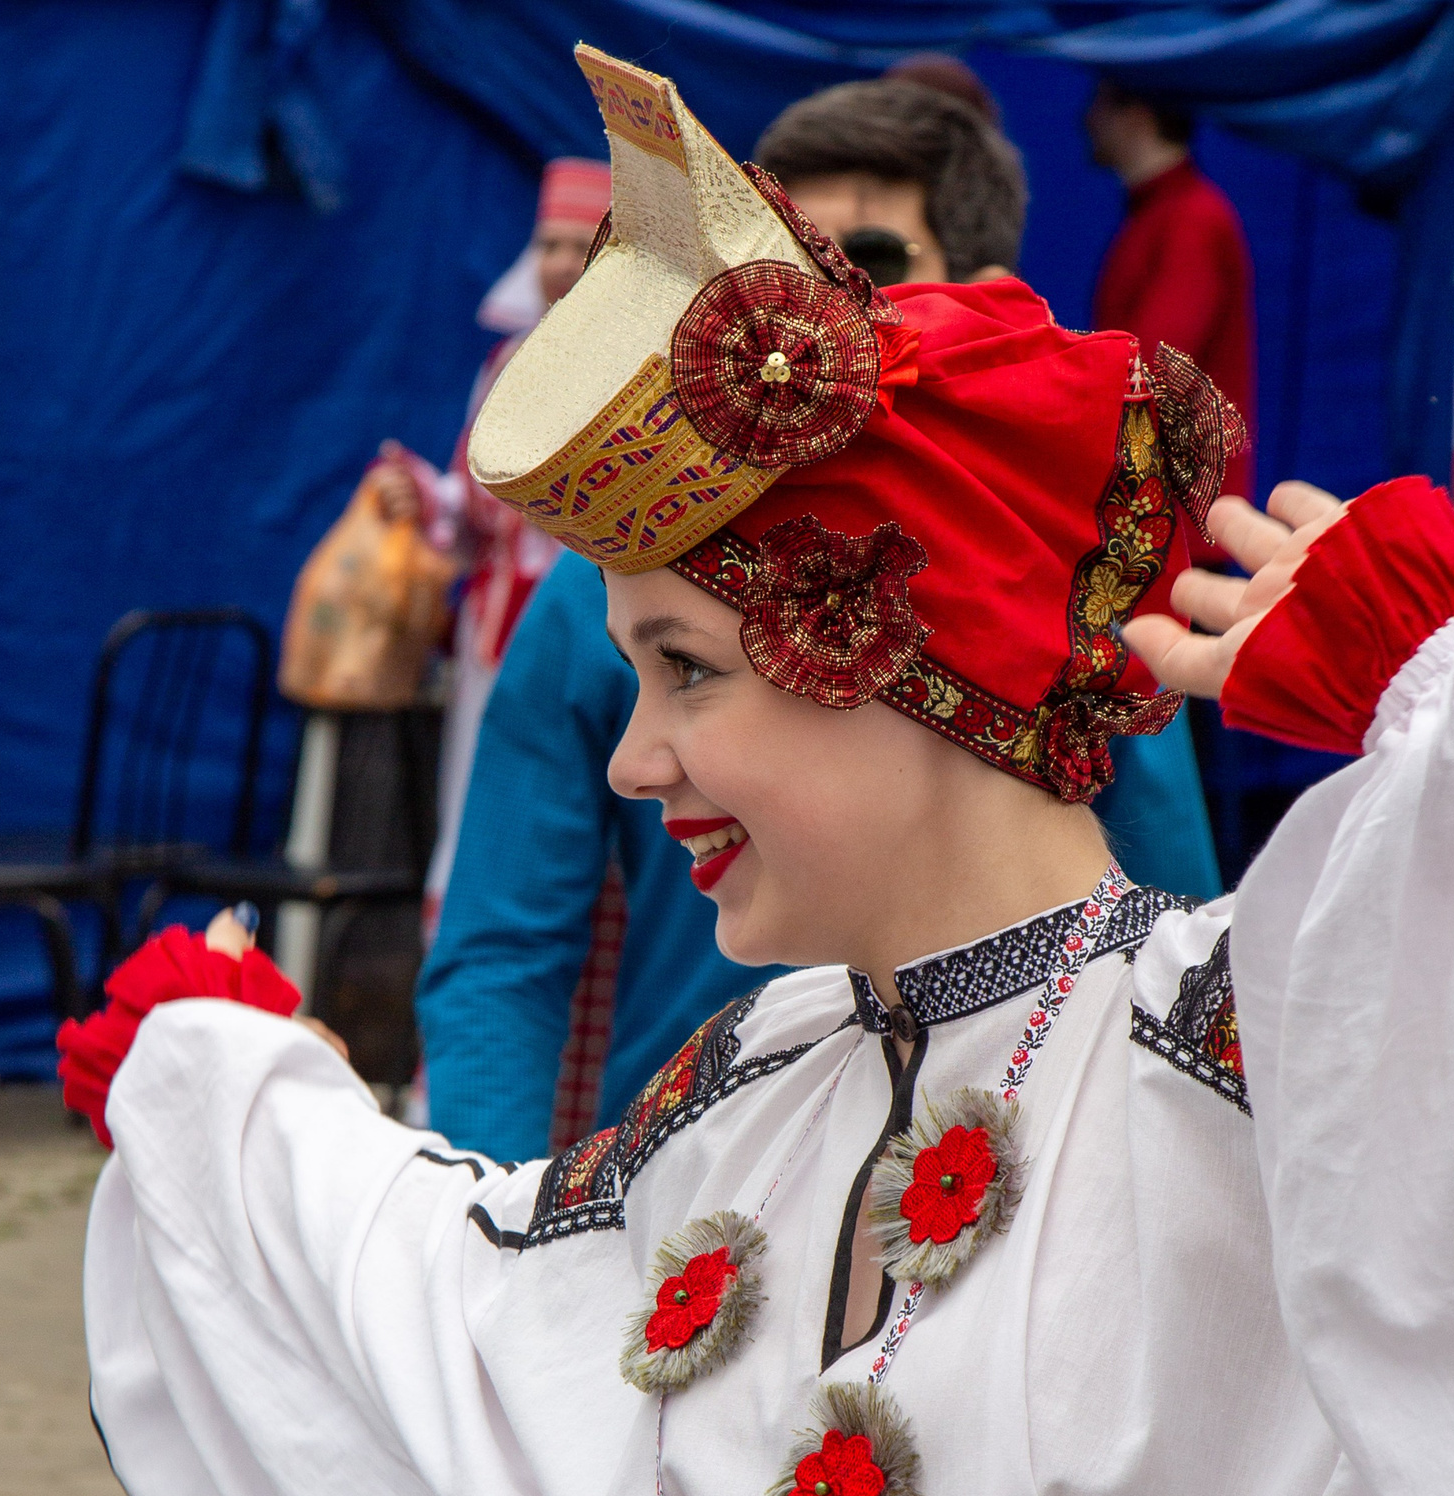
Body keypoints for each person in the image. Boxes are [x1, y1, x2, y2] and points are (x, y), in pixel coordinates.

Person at [78, 49, 1454, 1496]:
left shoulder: (1254, 1069)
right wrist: (230, 1092)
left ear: (904, 660)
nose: (636, 757)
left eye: (687, 672)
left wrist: (1451, 710)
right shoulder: (745, 1093)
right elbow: (475, 1340)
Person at [416, 74, 1222, 1163]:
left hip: (1003, 1156)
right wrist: (506, 1242)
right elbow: (504, 946)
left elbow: (1165, 908)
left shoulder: (1065, 602)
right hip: (688, 1188)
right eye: (765, 288)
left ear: (980, 296)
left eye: (868, 266)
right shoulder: (606, 585)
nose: (806, 328)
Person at [368, 156, 610, 940]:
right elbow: (485, 500)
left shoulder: (630, 365)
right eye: (549, 245)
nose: (562, 265)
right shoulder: (508, 360)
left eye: (583, 246)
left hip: (589, 637)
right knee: (474, 805)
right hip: (494, 635)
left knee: (555, 819)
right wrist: (429, 496)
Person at [1085, 79, 1255, 520]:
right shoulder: (1167, 213)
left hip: (1170, 514)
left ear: (1138, 115)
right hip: (1156, 506)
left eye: (1099, 104)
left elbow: (1154, 359)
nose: (1085, 119)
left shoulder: (1192, 218)